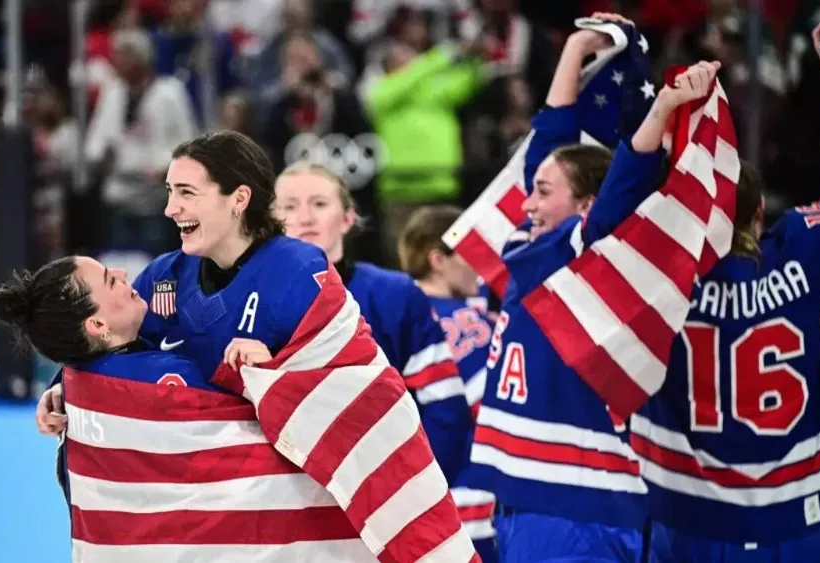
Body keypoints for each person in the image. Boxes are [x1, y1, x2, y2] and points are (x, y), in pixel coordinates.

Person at [36, 131, 478, 562]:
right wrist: (68, 387)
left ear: (238, 199)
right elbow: (119, 359)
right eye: (170, 192)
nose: (171, 209)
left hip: (297, 520)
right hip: (212, 526)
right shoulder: (165, 276)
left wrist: (279, 377)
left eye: (187, 192)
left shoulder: (297, 271)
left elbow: (350, 386)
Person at [632, 24, 820, 562]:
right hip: (803, 527)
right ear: (757, 212)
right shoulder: (805, 246)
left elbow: (611, 214)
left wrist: (660, 117)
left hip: (690, 526)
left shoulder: (656, 271)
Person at [466, 14, 718, 562]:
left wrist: (663, 107)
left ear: (583, 207)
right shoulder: (531, 247)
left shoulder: (592, 256)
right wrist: (578, 47)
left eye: (543, 192)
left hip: (574, 501)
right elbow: (550, 137)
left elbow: (626, 177)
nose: (527, 201)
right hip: (528, 496)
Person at [0, 256, 378, 561]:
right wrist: (264, 372)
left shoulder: (80, 388)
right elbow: (259, 433)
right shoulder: (163, 383)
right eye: (110, 279)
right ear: (96, 324)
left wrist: (61, 381)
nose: (125, 273)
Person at [273, 161, 473, 484]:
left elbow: (444, 405)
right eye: (290, 207)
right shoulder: (249, 301)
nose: (306, 218)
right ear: (271, 222)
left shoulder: (396, 294)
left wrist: (416, 488)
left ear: (348, 218)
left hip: (389, 490)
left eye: (320, 204)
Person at [399, 204, 498, 563]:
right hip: (476, 498)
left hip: (423, 503)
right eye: (470, 254)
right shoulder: (462, 317)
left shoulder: (394, 310)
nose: (478, 266)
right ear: (438, 260)